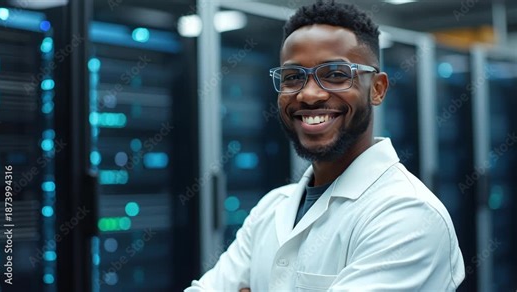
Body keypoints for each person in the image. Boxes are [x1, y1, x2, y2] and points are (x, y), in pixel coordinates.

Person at [186, 1, 465, 291]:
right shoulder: (272, 208)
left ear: (378, 89)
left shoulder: (408, 215)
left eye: (335, 74)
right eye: (293, 77)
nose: (309, 95)